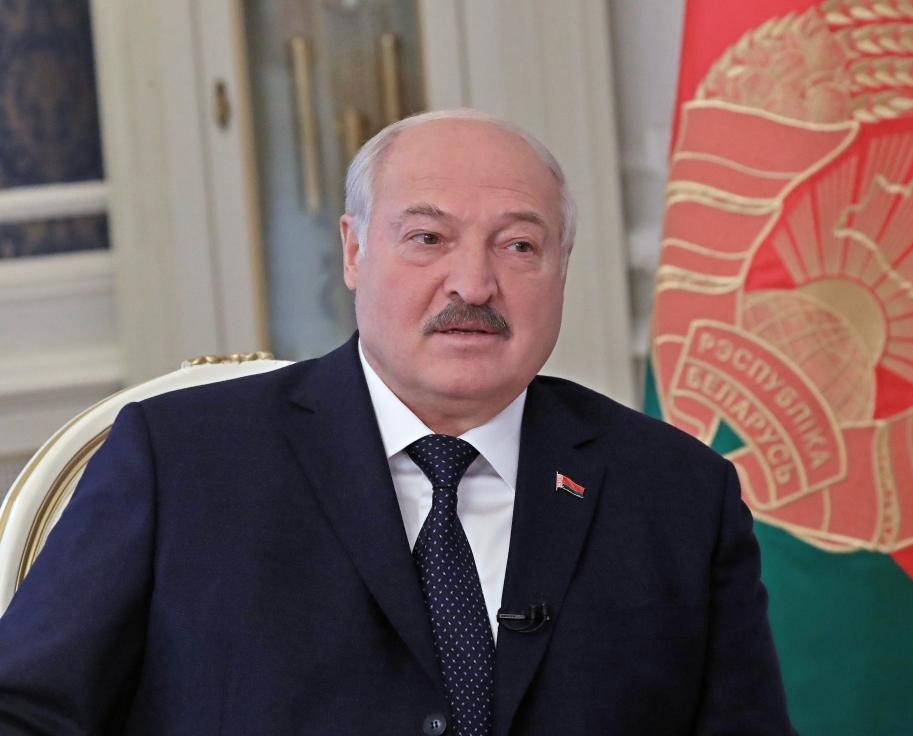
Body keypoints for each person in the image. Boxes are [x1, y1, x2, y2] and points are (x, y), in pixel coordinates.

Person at [0, 109, 794, 735]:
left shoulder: (678, 494)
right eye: (428, 238)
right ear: (353, 251)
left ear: (562, 269)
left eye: (519, 246)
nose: (473, 284)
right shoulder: (181, 461)